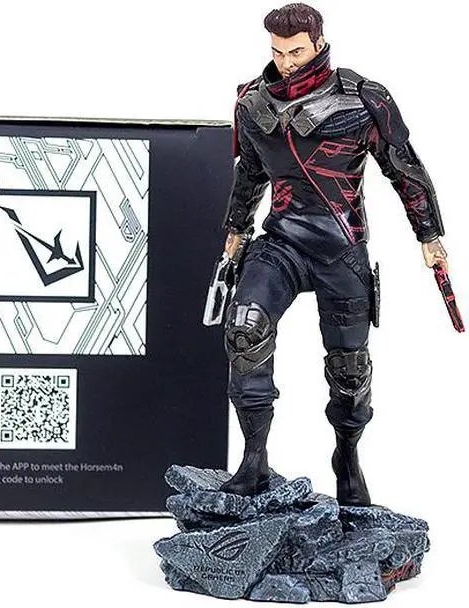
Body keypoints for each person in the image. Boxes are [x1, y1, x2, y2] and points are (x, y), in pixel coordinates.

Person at [219, 3, 447, 505]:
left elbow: (404, 169)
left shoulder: (363, 100)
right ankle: (254, 461)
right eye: (278, 52)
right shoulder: (253, 103)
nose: (286, 63)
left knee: (350, 367)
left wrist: (429, 235)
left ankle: (347, 455)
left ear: (319, 43)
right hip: (281, 241)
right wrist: (235, 231)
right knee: (244, 327)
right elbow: (249, 175)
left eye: (296, 52)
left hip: (341, 245)